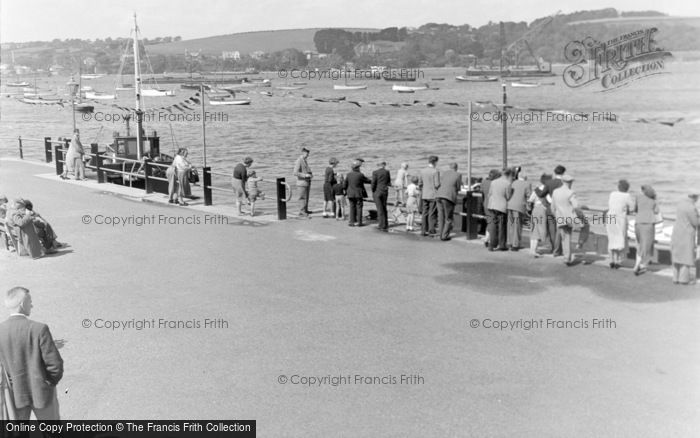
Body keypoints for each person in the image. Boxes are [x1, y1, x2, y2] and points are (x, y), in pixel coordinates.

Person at [0, 287, 64, 420]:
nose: (32, 305)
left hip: (15, 395)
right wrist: (49, 382)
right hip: (42, 393)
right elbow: (55, 364)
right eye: (30, 301)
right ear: (22, 304)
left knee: (18, 433)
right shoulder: (39, 329)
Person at [606, 179, 636, 269]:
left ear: (618, 187)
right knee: (620, 238)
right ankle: (618, 260)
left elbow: (610, 205)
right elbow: (632, 208)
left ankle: (611, 259)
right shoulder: (627, 196)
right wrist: (626, 210)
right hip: (619, 218)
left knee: (611, 238)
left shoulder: (612, 194)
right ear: (627, 188)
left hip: (610, 216)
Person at [537, 165, 566, 255]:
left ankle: (554, 248)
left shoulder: (549, 183)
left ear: (555, 172)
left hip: (550, 209)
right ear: (563, 172)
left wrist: (536, 189)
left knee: (552, 230)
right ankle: (559, 250)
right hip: (560, 209)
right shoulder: (564, 183)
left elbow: (541, 194)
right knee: (560, 230)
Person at [671, 194, 699, 285]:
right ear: (695, 198)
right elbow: (695, 222)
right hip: (686, 233)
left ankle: (675, 278)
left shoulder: (680, 204)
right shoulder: (691, 207)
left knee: (677, 255)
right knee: (686, 256)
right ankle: (683, 279)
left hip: (677, 231)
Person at [551, 175, 579, 266]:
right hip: (569, 218)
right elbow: (576, 206)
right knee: (567, 237)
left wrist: (556, 216)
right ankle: (567, 257)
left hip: (559, 218)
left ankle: (566, 256)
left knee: (563, 237)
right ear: (570, 182)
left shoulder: (555, 192)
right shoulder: (571, 192)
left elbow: (553, 207)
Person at [633, 185, 660, 276]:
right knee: (647, 246)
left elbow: (635, 209)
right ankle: (641, 265)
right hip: (648, 224)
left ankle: (638, 264)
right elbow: (656, 211)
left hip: (638, 223)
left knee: (640, 244)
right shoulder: (653, 200)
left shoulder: (638, 197)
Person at [487, 168, 513, 251]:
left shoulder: (493, 182)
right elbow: (508, 196)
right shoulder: (507, 184)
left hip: (492, 205)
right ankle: (502, 245)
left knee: (493, 226)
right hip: (501, 207)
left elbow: (489, 193)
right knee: (502, 226)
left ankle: (491, 245)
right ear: (508, 175)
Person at [435, 163, 463, 241]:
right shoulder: (458, 175)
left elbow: (441, 183)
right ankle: (444, 236)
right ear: (456, 168)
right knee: (448, 218)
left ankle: (441, 233)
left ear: (449, 167)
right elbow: (458, 187)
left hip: (439, 195)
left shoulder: (445, 173)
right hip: (448, 197)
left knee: (441, 217)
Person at [506, 166, 531, 251]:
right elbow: (529, 196)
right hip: (519, 207)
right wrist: (529, 207)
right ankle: (515, 244)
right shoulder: (527, 184)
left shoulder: (513, 182)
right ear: (525, 177)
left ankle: (509, 242)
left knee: (510, 224)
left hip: (510, 205)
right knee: (517, 225)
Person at [528, 174, 552, 258]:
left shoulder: (536, 189)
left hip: (535, 209)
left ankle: (532, 249)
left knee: (534, 229)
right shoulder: (547, 190)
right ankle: (535, 249)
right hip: (542, 210)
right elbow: (550, 201)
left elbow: (530, 200)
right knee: (541, 229)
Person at [344, 161, 370, 227]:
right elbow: (367, 181)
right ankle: (359, 222)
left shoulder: (348, 174)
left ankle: (352, 222)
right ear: (358, 168)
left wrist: (345, 191)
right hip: (358, 193)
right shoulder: (360, 174)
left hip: (350, 193)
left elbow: (345, 185)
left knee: (352, 207)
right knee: (359, 207)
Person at [419, 156, 440, 236]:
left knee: (424, 212)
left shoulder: (422, 171)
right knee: (432, 213)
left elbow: (420, 183)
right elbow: (437, 184)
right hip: (432, 195)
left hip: (424, 194)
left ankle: (423, 230)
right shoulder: (435, 171)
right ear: (435, 162)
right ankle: (431, 230)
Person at [480, 169, 501, 246]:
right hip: (493, 205)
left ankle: (487, 238)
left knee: (489, 221)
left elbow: (482, 191)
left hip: (485, 203)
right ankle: (489, 240)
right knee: (493, 223)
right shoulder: (494, 183)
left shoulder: (484, 182)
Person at [371, 162, 391, 232]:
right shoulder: (387, 172)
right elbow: (389, 182)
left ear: (378, 165)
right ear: (384, 165)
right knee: (384, 207)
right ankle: (385, 223)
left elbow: (373, 183)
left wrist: (373, 190)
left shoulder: (375, 172)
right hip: (385, 191)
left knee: (379, 209)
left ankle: (381, 225)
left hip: (377, 191)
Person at [293, 148, 313, 217]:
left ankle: (305, 210)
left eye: (308, 154)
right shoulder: (299, 160)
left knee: (306, 197)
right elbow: (295, 172)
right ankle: (302, 211)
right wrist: (305, 175)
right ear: (303, 153)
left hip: (306, 182)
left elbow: (307, 170)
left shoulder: (305, 160)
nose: (308, 155)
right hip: (301, 183)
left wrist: (310, 174)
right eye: (307, 154)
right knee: (302, 197)